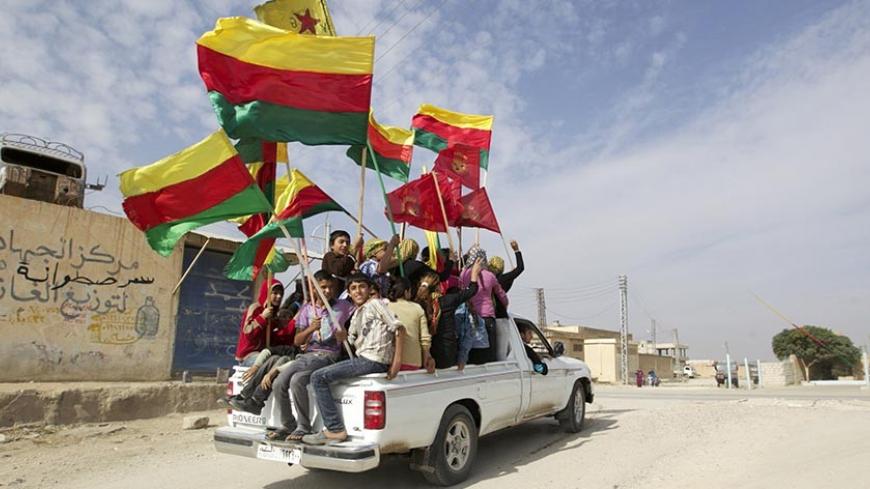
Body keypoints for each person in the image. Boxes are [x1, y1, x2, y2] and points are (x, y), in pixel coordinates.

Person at [243, 271, 354, 442]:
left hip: (329, 355)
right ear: (314, 289)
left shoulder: (343, 306)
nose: (327, 291)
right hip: (308, 355)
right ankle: (289, 425)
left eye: (330, 287)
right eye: (323, 287)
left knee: (290, 378)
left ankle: (303, 427)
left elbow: (358, 313)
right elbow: (297, 340)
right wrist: (311, 328)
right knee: (287, 381)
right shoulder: (306, 310)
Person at [303, 273, 405, 445]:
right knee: (321, 374)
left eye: (362, 287)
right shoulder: (357, 314)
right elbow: (349, 344)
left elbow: (399, 329)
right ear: (349, 293)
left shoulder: (375, 304)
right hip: (363, 359)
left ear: (369, 289)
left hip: (374, 360)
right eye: (353, 288)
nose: (358, 291)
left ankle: (335, 429)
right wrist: (341, 337)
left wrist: (396, 363)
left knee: (318, 377)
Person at [422, 258, 481, 369]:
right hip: (446, 353)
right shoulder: (448, 301)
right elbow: (472, 290)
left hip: (426, 354)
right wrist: (474, 274)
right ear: (439, 287)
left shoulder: (419, 303)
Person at [460, 246, 508, 364]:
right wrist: (505, 304)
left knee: (470, 347)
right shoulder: (490, 276)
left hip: (469, 317)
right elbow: (501, 295)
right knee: (489, 350)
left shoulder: (464, 274)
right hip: (487, 317)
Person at [386, 276, 434, 372]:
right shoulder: (417, 308)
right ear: (407, 292)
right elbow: (425, 338)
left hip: (389, 361)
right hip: (412, 361)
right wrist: (427, 356)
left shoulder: (385, 307)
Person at [234, 279, 287, 366]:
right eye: (275, 293)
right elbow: (248, 333)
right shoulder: (255, 309)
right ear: (266, 293)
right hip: (248, 356)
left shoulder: (274, 314)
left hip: (264, 353)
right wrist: (262, 317)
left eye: (281, 294)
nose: (279, 296)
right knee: (271, 362)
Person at [489, 240, 525, 318]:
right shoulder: (503, 279)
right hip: (500, 316)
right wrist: (516, 250)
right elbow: (520, 268)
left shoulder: (484, 279)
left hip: (486, 315)